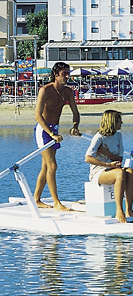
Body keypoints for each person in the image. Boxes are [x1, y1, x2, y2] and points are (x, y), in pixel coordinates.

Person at [34, 61, 81, 210]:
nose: (67, 76)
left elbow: (75, 113)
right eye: (64, 74)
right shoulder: (45, 90)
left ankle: (37, 199)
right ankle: (56, 202)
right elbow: (37, 115)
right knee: (52, 166)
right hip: (44, 131)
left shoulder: (68, 92)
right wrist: (51, 133)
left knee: (46, 167)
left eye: (68, 73)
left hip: (55, 130)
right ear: (56, 75)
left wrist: (75, 126)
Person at [85, 110, 133, 224]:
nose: (122, 123)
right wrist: (107, 164)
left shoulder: (118, 136)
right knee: (120, 173)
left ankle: (129, 210)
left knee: (130, 171)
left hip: (112, 169)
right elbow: (87, 158)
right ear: (113, 122)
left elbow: (119, 159)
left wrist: (108, 154)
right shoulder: (99, 137)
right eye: (120, 121)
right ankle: (119, 210)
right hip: (99, 172)